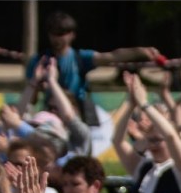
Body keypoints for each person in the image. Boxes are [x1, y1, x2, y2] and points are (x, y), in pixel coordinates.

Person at [24, 11, 158, 122]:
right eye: (53, 33)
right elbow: (32, 100)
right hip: (52, 114)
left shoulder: (81, 57)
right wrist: (37, 84)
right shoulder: (39, 61)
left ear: (72, 34)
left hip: (80, 113)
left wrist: (141, 52)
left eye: (61, 33)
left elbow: (111, 56)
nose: (57, 38)